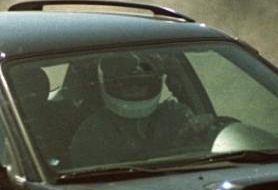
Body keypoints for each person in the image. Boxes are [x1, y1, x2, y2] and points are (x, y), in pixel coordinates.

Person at [70, 53, 212, 169]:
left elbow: (201, 153)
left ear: (152, 84)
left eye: (142, 83)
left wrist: (206, 128)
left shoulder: (175, 115)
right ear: (112, 85)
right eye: (127, 84)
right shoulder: (93, 130)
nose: (135, 90)